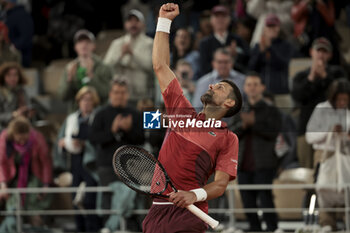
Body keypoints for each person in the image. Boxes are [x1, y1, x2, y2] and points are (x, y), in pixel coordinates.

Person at [142, 3, 242, 232]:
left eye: (220, 87)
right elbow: (160, 65)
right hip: (155, 213)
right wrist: (164, 21)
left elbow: (220, 184)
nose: (212, 84)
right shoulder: (180, 111)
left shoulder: (228, 138)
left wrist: (192, 195)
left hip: (189, 216)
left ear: (229, 103)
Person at [89, 78, 144, 231]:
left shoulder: (136, 114)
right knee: (108, 200)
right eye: (116, 92)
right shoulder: (100, 114)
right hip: (106, 166)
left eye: (122, 92)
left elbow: (141, 138)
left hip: (130, 166)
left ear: (128, 94)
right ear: (110, 94)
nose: (119, 96)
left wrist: (128, 130)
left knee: (130, 200)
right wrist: (112, 131)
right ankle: (110, 227)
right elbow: (94, 139)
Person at [229, 73, 282, 232]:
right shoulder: (238, 110)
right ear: (245, 88)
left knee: (266, 198)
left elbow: (273, 132)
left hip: (264, 162)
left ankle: (272, 228)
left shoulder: (271, 110)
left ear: (262, 88)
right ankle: (254, 228)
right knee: (247, 200)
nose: (252, 87)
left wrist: (254, 123)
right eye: (249, 84)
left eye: (255, 84)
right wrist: (243, 126)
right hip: (243, 163)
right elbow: (230, 134)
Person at [291, 37, 347, 168]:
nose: (321, 54)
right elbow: (298, 96)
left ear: (330, 55)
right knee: (306, 171)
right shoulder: (301, 75)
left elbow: (341, 94)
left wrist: (324, 76)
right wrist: (311, 78)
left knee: (328, 171)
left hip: (332, 130)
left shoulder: (338, 73)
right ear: (311, 52)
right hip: (306, 129)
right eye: (318, 51)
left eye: (324, 51)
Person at [55, 86, 101, 232]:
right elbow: (60, 140)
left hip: (91, 164)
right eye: (83, 99)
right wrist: (65, 143)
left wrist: (84, 144)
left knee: (89, 200)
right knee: (76, 199)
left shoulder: (97, 118)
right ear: (78, 101)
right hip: (75, 163)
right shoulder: (71, 119)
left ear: (94, 102)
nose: (86, 103)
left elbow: (100, 141)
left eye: (89, 100)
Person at [306, 79, 350, 231]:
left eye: (346, 99)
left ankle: (347, 223)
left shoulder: (348, 112)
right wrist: (329, 131)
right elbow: (309, 137)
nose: (343, 102)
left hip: (345, 155)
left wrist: (346, 135)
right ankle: (327, 224)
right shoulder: (321, 108)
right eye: (340, 99)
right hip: (324, 155)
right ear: (333, 97)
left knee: (346, 189)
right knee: (324, 189)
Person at [0, 116, 52, 232]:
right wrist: (3, 184)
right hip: (12, 179)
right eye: (19, 140)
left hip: (33, 176)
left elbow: (46, 162)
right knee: (12, 212)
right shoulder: (5, 138)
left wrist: (46, 185)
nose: (22, 142)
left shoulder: (37, 138)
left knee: (34, 210)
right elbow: (2, 162)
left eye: (25, 139)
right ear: (13, 135)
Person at [104, 9, 154, 106]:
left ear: (143, 24)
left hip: (143, 96)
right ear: (125, 25)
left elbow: (150, 66)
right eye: (130, 21)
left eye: (136, 21)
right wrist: (120, 55)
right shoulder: (117, 43)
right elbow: (106, 66)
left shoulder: (150, 43)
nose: (133, 24)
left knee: (149, 121)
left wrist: (132, 53)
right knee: (121, 121)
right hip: (120, 96)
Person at [58, 29, 113, 113]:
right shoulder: (69, 68)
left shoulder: (104, 67)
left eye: (87, 42)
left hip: (99, 112)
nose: (84, 45)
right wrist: (69, 79)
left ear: (93, 46)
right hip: (76, 113)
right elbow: (63, 97)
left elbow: (106, 93)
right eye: (80, 42)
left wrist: (90, 76)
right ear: (75, 47)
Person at [248, 14, 295, 108]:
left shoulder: (286, 45)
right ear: (264, 29)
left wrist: (269, 49)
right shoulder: (258, 46)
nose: (272, 29)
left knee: (283, 120)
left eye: (274, 26)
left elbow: (283, 64)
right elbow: (251, 68)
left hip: (281, 92)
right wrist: (260, 52)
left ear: (279, 28)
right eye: (269, 26)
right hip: (262, 93)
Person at [198, 5, 249, 77]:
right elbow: (204, 68)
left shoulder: (238, 40)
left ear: (229, 19)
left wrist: (236, 54)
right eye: (217, 16)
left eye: (223, 16)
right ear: (211, 20)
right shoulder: (204, 43)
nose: (220, 19)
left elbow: (248, 62)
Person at [0, 0, 34, 67]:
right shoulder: (6, 15)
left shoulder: (21, 15)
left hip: (17, 59)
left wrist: (13, 46)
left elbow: (26, 37)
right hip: (4, 56)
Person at [0, 62, 31, 131]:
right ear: (3, 77)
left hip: (22, 126)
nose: (12, 78)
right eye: (9, 75)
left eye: (15, 75)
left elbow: (28, 106)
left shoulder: (22, 91)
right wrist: (13, 115)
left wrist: (28, 112)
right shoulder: (1, 92)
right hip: (5, 127)